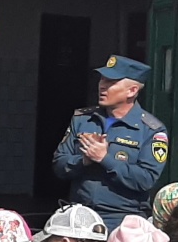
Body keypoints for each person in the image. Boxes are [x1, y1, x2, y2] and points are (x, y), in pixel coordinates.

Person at [50, 55, 170, 229]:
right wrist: (83, 161)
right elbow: (59, 164)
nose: (102, 86)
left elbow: (145, 179)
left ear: (132, 91)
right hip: (80, 216)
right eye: (102, 80)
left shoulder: (151, 130)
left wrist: (105, 158)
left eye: (111, 82)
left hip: (122, 220)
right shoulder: (83, 119)